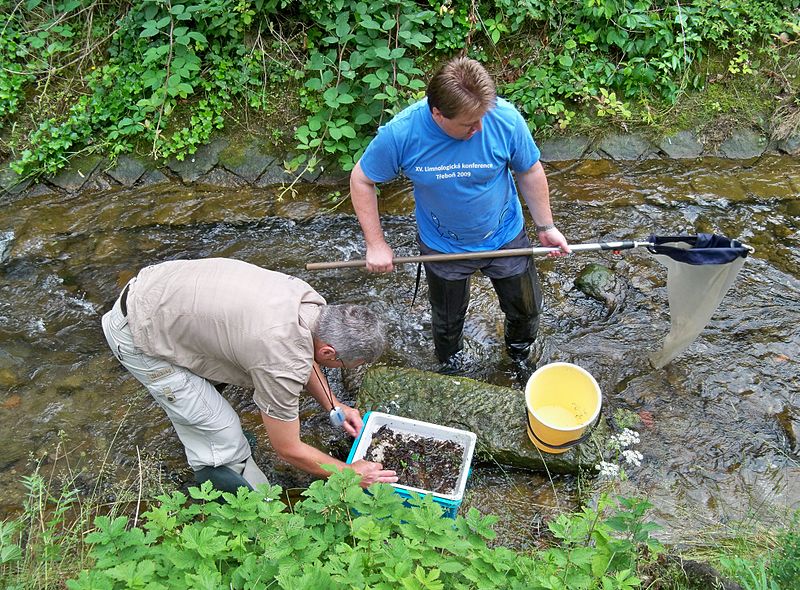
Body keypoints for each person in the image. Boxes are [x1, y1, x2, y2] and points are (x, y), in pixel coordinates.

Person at [101, 257, 397, 492]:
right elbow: (288, 448)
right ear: (330, 353)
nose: (343, 370)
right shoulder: (280, 359)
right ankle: (250, 505)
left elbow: (305, 353)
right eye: (347, 365)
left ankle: (207, 443)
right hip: (138, 333)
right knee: (224, 435)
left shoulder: (312, 305)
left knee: (207, 412)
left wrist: (334, 405)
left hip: (162, 290)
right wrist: (348, 473)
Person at [350, 56, 570, 370]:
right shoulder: (402, 133)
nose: (479, 128)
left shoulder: (505, 119)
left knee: (527, 309)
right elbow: (362, 179)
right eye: (469, 123)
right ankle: (451, 365)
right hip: (443, 245)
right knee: (447, 320)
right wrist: (376, 243)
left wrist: (545, 226)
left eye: (482, 117)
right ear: (437, 113)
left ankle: (518, 358)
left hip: (505, 234)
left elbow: (529, 171)